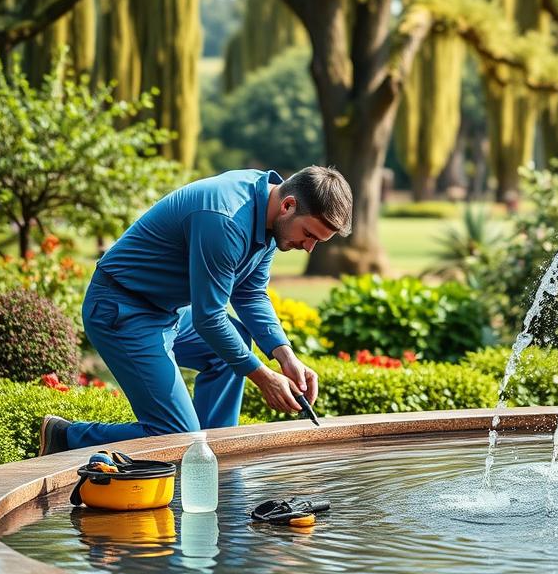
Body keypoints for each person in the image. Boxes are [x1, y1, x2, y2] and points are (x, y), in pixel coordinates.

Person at [38, 166, 353, 455]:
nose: (308, 247)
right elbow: (209, 318)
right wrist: (263, 376)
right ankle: (65, 437)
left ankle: (213, 457)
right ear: (288, 205)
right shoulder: (226, 218)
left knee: (232, 347)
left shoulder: (271, 217)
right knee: (175, 435)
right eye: (309, 235)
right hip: (121, 309)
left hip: (165, 310)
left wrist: (286, 357)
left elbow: (250, 292)